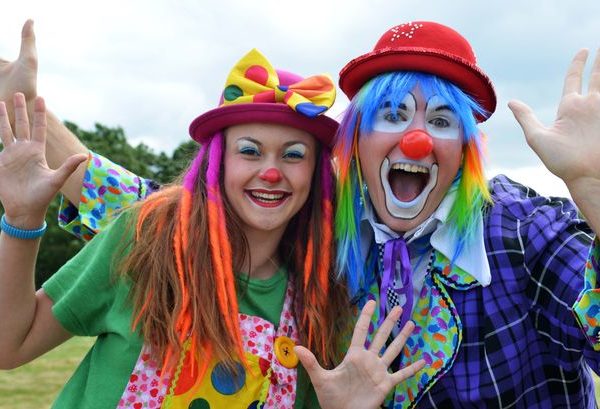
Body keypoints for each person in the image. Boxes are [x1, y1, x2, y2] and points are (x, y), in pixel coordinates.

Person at [4, 19, 599, 408]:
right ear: (358, 141)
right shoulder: (328, 233)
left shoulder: (525, 230)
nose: (416, 140)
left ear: (466, 149)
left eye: (442, 122)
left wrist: (590, 186)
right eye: (393, 115)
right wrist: (22, 108)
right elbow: (162, 212)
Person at [0, 47, 425, 409]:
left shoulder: (320, 304)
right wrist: (21, 221)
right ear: (218, 162)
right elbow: (10, 344)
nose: (271, 172)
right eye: (250, 151)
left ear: (317, 175)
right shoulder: (145, 239)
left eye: (293, 155)